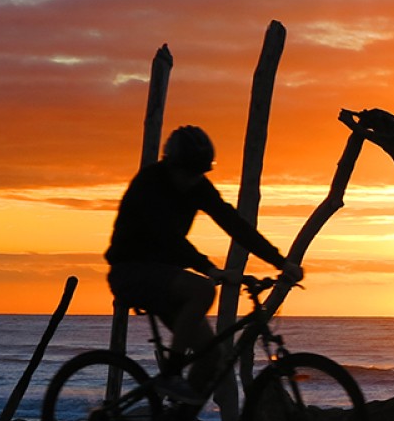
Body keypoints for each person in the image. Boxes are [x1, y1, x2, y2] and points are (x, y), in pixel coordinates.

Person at [104, 125, 302, 403]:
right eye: (187, 172)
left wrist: (280, 261)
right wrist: (208, 268)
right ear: (171, 165)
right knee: (203, 289)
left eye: (198, 173)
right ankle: (171, 374)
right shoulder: (150, 183)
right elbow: (168, 238)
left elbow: (234, 224)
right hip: (131, 271)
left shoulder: (197, 185)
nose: (192, 180)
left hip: (165, 276)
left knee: (211, 359)